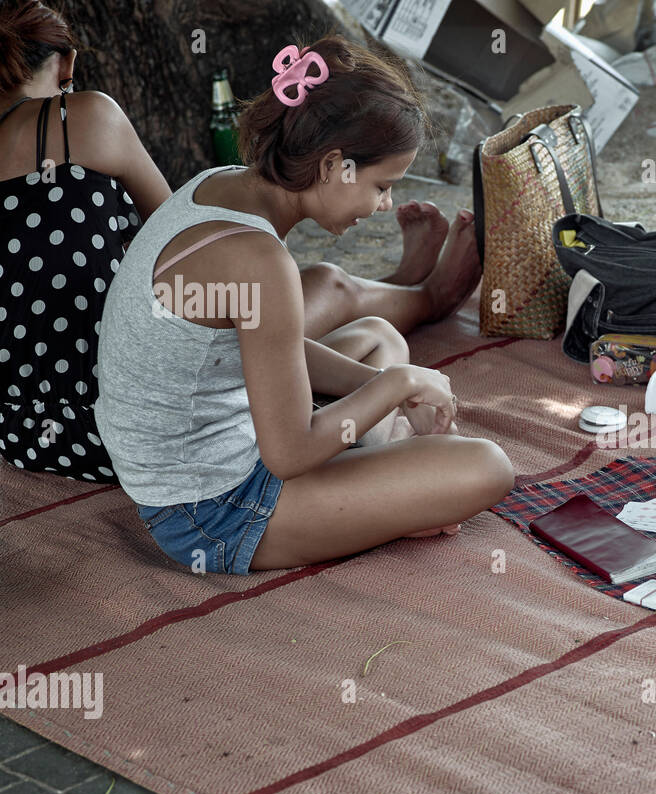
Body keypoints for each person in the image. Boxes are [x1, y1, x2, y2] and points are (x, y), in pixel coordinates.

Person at [0, 0, 478, 483]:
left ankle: (402, 330)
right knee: (318, 286)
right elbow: (184, 236)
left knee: (303, 314)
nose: (385, 203)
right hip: (129, 401)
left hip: (21, 427)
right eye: (380, 188)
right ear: (67, 63)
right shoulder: (80, 119)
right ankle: (426, 298)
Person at [93, 35, 513, 575]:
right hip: (208, 511)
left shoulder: (218, 185)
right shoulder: (259, 258)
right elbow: (287, 454)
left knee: (380, 339)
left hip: (218, 435)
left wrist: (386, 383)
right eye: (382, 185)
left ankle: (391, 477)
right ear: (334, 165)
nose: (385, 205)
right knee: (485, 467)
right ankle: (393, 488)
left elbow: (266, 346)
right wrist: (397, 386)